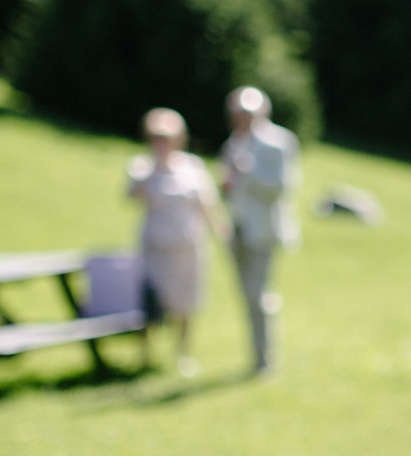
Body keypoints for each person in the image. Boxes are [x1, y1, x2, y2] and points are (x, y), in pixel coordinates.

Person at [125, 106, 224, 376]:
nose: (162, 142)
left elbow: (207, 205)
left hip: (188, 247)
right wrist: (155, 168)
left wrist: (221, 232)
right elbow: (131, 196)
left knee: (185, 304)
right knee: (149, 302)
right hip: (155, 248)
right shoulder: (142, 166)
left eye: (167, 137)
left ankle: (183, 353)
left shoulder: (193, 167)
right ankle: (145, 354)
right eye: (157, 137)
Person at [218, 85, 302, 375]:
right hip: (238, 228)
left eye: (246, 113)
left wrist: (247, 173)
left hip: (263, 230)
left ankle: (265, 360)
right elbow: (230, 186)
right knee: (247, 296)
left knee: (259, 295)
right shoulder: (233, 143)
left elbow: (282, 186)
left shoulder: (279, 142)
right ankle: (256, 355)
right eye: (236, 113)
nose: (241, 118)